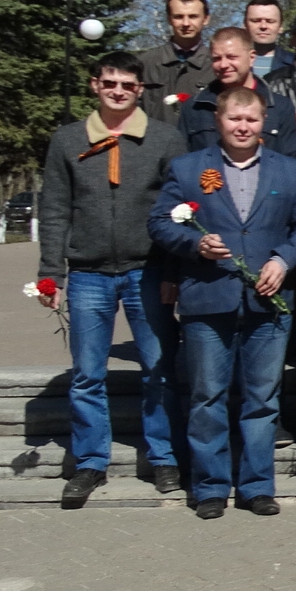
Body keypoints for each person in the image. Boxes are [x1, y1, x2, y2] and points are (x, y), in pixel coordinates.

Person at [148, 86, 296, 520]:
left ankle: (257, 486)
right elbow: (159, 222)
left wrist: (283, 260)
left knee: (263, 399)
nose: (243, 127)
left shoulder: (289, 171)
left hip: (267, 301)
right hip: (208, 298)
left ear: (264, 124)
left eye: (251, 119)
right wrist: (194, 243)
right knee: (207, 397)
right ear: (218, 120)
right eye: (235, 119)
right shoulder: (188, 168)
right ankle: (210, 487)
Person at [38, 52, 189, 506]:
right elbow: (55, 209)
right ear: (95, 85)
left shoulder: (164, 138)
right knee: (87, 374)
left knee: (159, 369)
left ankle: (164, 457)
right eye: (110, 83)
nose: (118, 91)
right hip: (88, 273)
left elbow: (181, 210)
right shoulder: (68, 140)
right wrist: (51, 273)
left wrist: (174, 271)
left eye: (127, 85)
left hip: (149, 270)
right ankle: (90, 461)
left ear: (140, 89)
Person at [180, 28, 296, 160]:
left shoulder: (279, 107)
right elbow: (182, 162)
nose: (223, 65)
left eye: (231, 57)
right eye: (216, 58)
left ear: (252, 57)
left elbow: (291, 162)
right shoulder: (195, 108)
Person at [138, 0, 216, 124]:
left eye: (193, 16)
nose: (186, 23)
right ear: (169, 19)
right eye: (178, 17)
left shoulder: (216, 66)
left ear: (206, 19)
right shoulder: (146, 63)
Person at [244, 0, 295, 79]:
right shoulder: (229, 63)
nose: (263, 26)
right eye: (256, 21)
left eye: (270, 21)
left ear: (281, 27)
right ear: (245, 25)